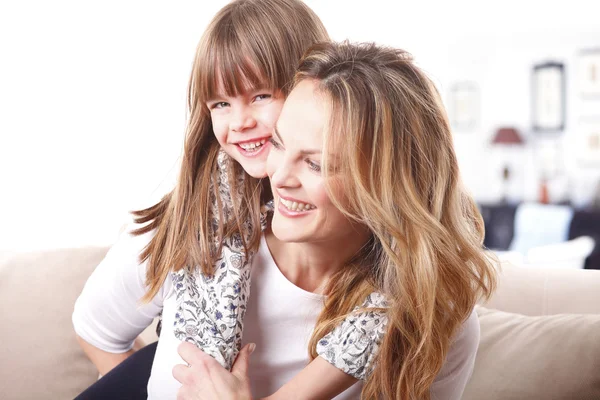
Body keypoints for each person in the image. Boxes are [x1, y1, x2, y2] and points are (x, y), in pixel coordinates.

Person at [171, 41, 498, 400]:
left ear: (386, 188)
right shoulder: (205, 248)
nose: (279, 177)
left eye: (316, 164)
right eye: (278, 144)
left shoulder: (435, 321)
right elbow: (100, 330)